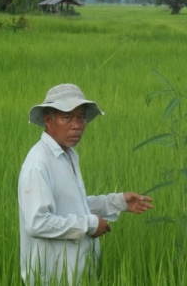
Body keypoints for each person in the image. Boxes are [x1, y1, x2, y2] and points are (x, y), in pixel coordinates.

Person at [18, 83, 153, 285]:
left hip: (76, 275)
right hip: (53, 279)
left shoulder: (68, 155)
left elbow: (71, 205)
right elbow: (37, 222)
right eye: (67, 117)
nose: (77, 125)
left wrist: (117, 202)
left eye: (81, 117)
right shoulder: (39, 164)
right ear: (48, 119)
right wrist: (90, 225)